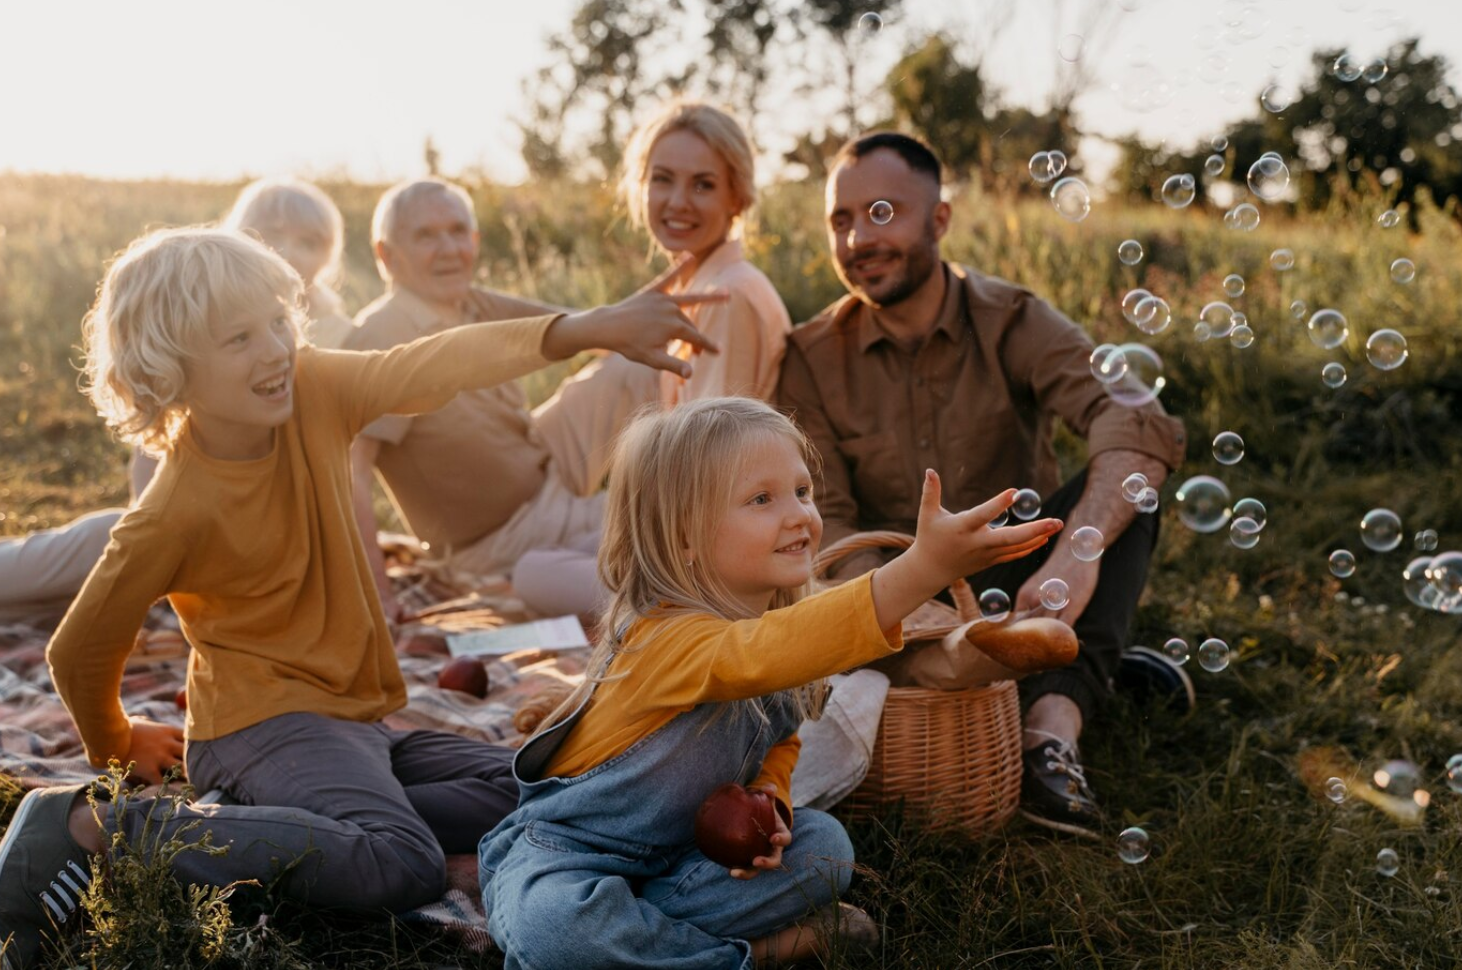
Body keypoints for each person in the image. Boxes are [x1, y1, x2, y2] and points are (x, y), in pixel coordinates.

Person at [0, 227, 718, 970]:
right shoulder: (170, 513)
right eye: (239, 338)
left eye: (276, 321)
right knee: (401, 861)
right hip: (259, 726)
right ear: (169, 368)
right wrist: (116, 745)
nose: (275, 349)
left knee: (549, 788)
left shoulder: (313, 389)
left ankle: (279, 817)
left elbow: (427, 364)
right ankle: (95, 828)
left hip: (355, 723)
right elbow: (78, 649)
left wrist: (583, 329)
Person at [477, 397, 1062, 969]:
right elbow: (761, 653)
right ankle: (763, 951)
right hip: (571, 857)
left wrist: (771, 801)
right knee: (557, 930)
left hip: (692, 858)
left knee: (825, 849)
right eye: (761, 499)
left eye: (802, 491)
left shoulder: (778, 635)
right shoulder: (663, 638)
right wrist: (923, 569)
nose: (800, 514)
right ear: (684, 538)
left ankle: (643, 936)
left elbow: (780, 740)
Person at [776, 132, 1191, 839]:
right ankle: (1080, 667)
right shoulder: (809, 357)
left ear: (939, 220)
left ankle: (1048, 732)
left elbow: (1135, 421)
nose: (857, 239)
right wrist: (908, 607)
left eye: (881, 213)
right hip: (892, 594)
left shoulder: (1012, 319)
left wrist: (1077, 554)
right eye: (840, 220)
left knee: (1125, 490)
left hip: (1021, 577)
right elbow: (827, 518)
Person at [0, 177, 355, 622]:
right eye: (272, 235)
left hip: (270, 520)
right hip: (187, 518)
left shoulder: (342, 333)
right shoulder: (199, 320)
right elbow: (158, 441)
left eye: (309, 242)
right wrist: (162, 527)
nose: (289, 251)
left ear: (329, 256)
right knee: (102, 543)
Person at [511, 100, 794, 617]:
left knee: (532, 572)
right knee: (544, 557)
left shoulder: (728, 295)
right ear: (640, 186)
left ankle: (669, 615)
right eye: (663, 179)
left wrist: (651, 548)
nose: (678, 202)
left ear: (737, 198)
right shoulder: (703, 284)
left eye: (703, 185)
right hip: (693, 530)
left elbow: (714, 466)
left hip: (715, 556)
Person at [344, 178, 662, 622]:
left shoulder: (470, 303)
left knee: (635, 366)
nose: (448, 249)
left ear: (474, 241)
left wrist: (643, 315)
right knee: (664, 523)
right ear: (387, 256)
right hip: (503, 537)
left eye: (457, 232)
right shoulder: (383, 335)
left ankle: (711, 462)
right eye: (426, 236)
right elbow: (351, 470)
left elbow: (579, 327)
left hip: (544, 465)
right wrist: (379, 595)